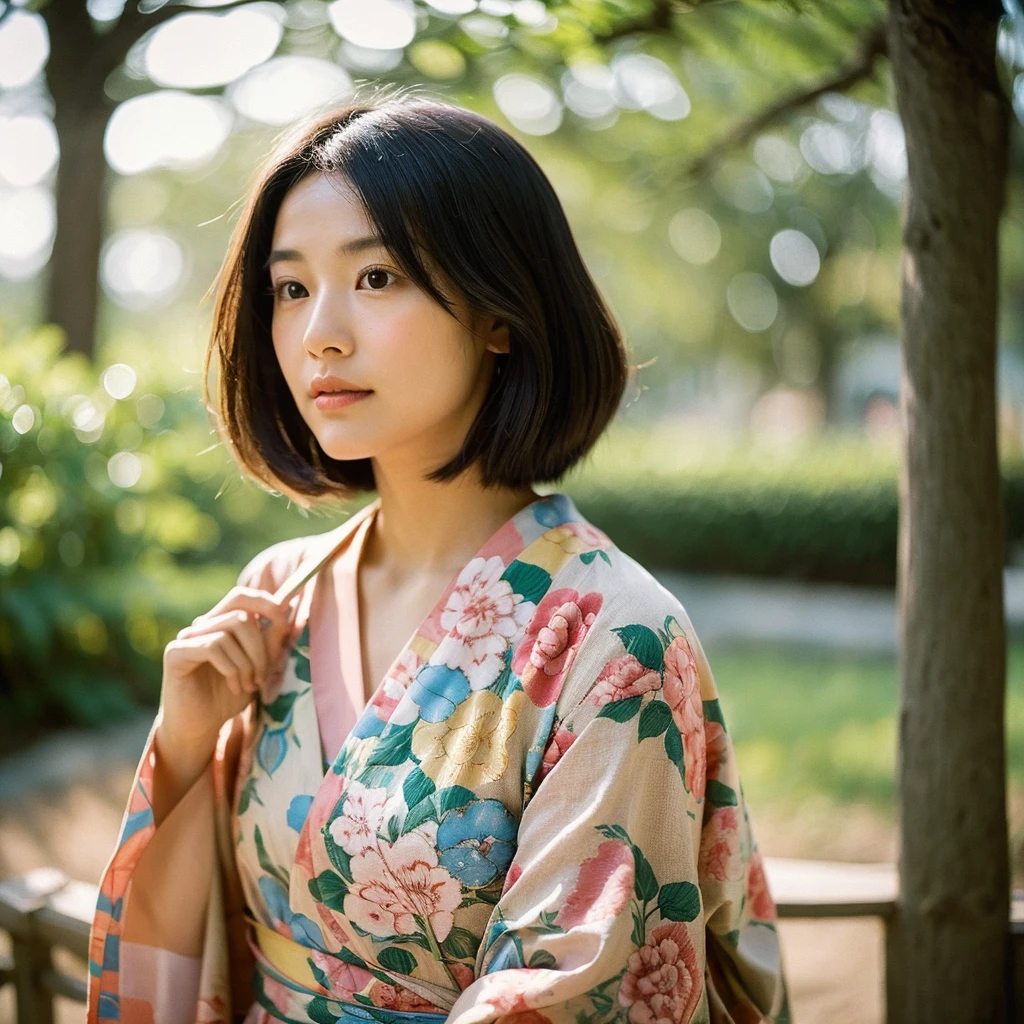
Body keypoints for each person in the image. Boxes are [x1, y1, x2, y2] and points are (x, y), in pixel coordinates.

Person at [86, 91, 790, 1024]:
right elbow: (196, 953)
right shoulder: (274, 595)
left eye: (376, 278)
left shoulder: (614, 634)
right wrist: (182, 751)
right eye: (291, 288)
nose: (319, 334)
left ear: (500, 312)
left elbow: (570, 990)